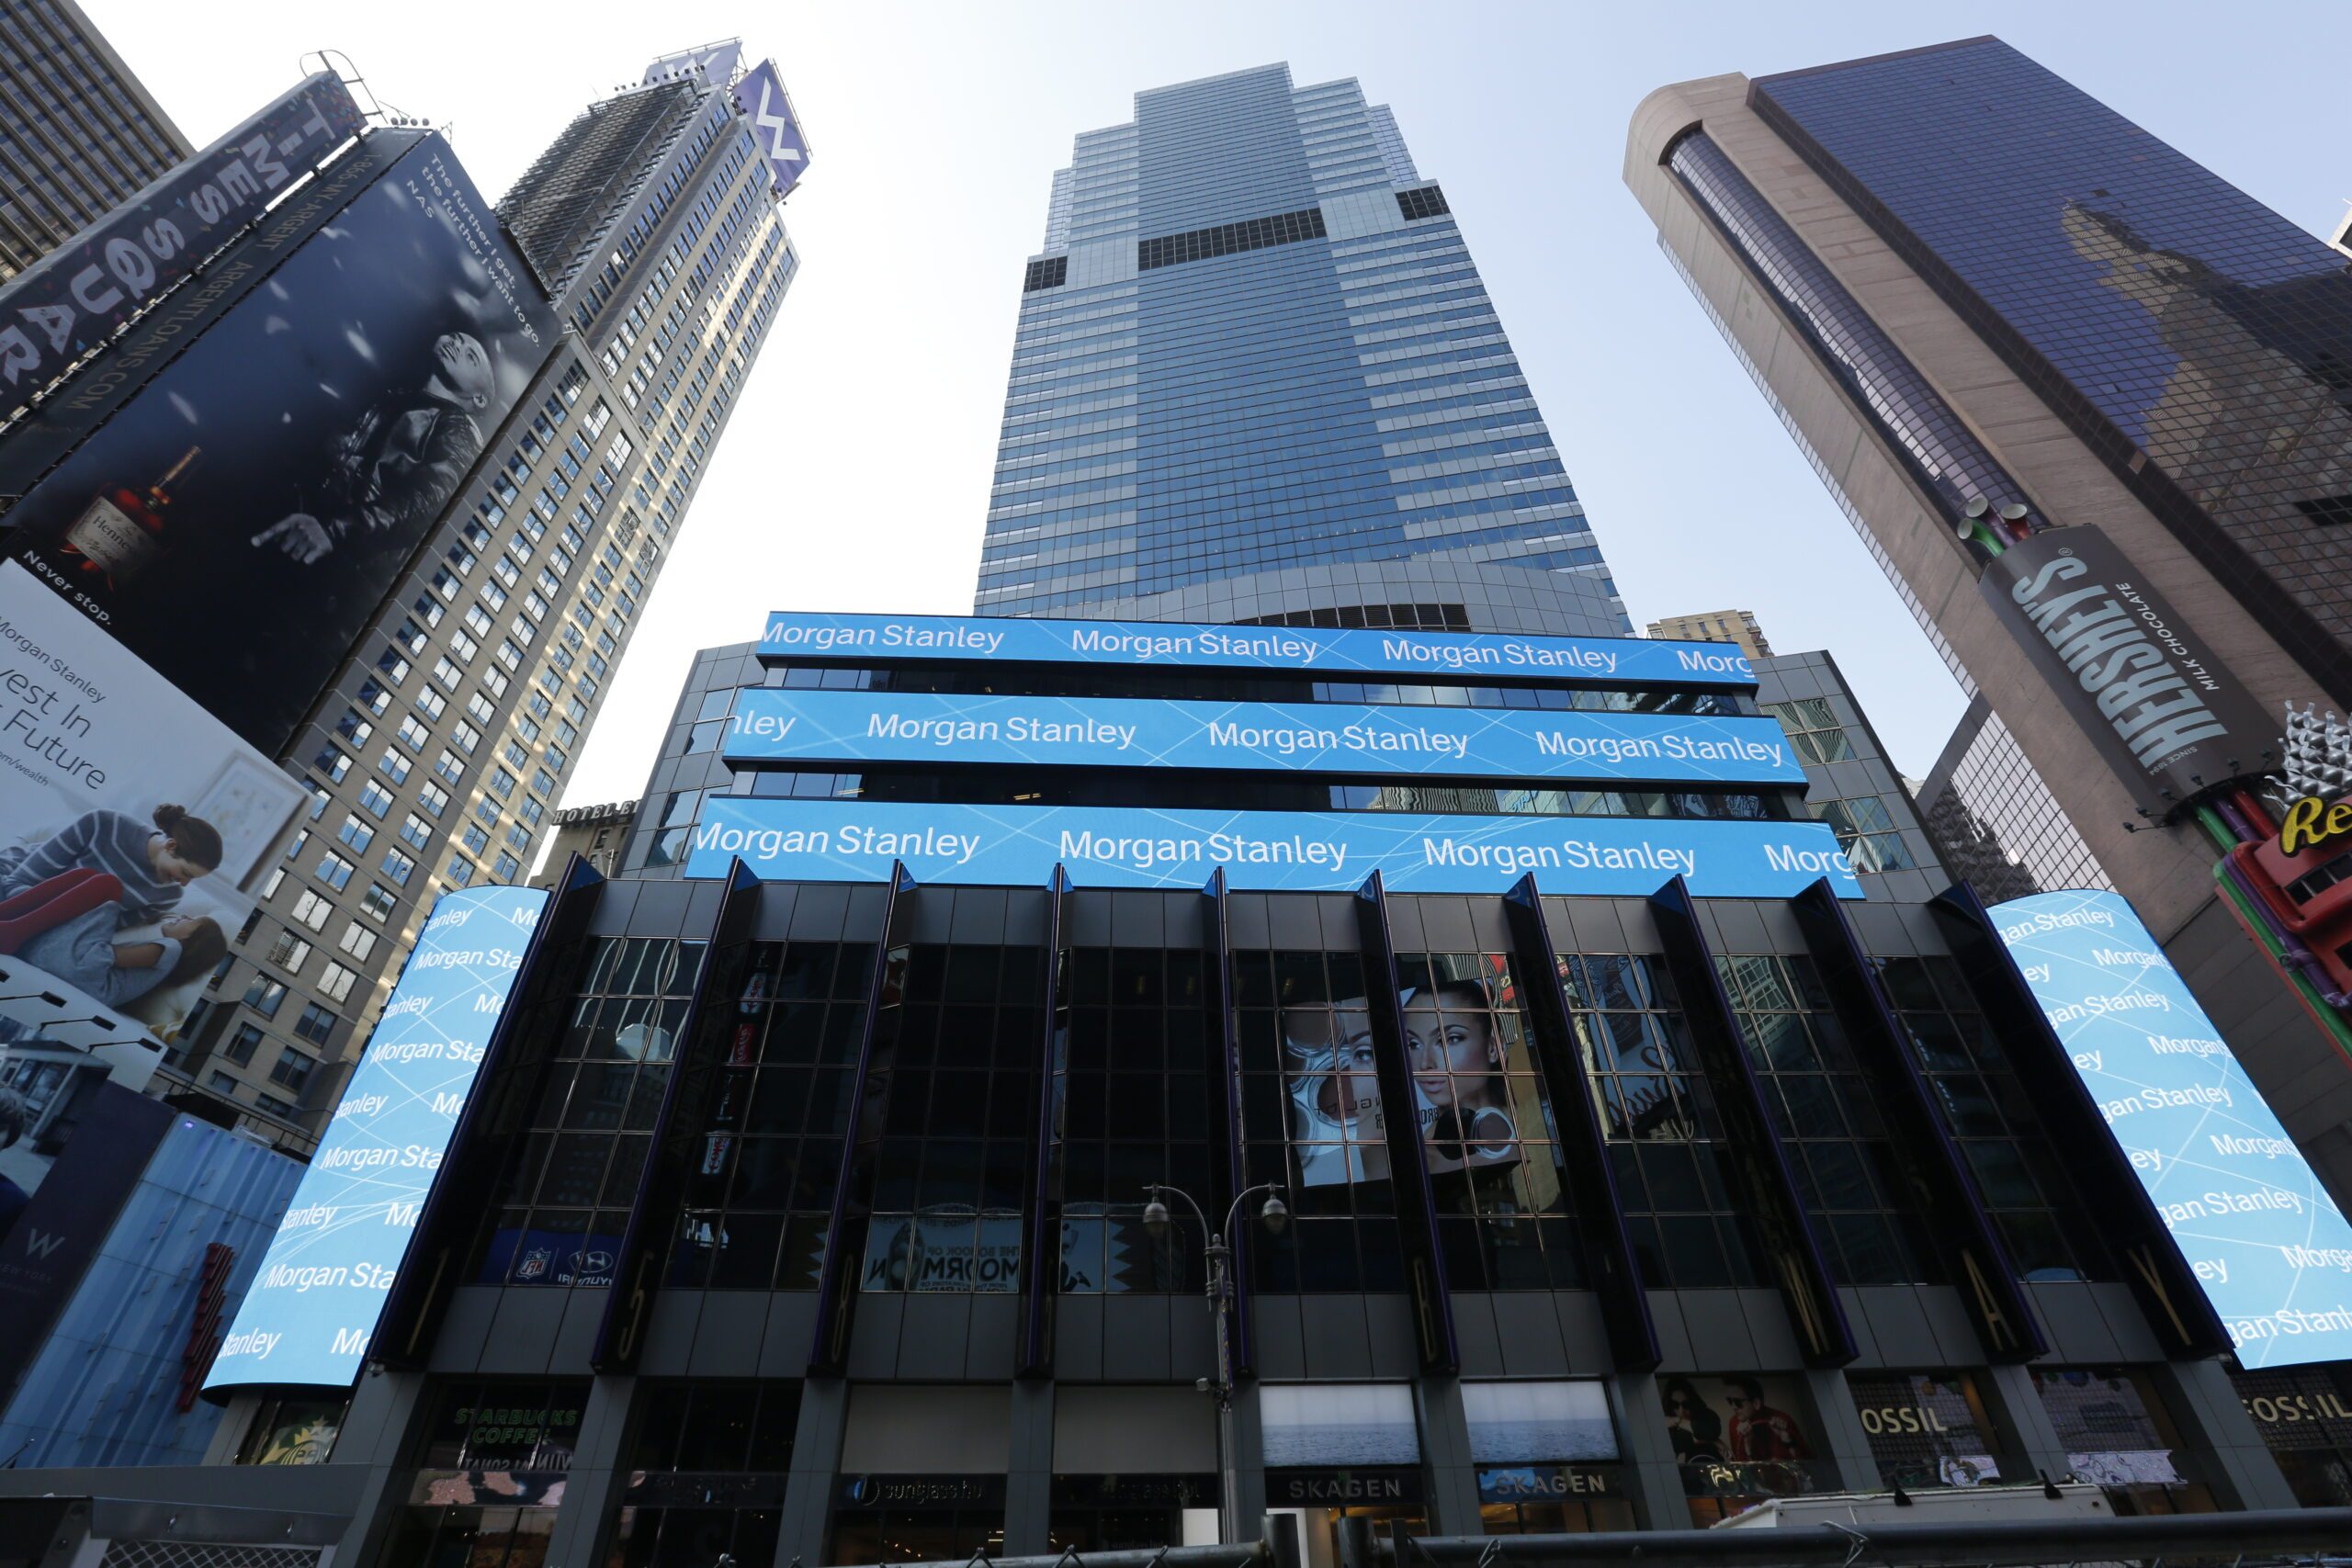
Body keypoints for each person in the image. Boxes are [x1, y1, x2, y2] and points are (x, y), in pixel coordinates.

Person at [251, 331, 494, 566]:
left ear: (480, 399)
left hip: (342, 562)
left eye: (470, 356)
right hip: (303, 527)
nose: (456, 345)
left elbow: (433, 501)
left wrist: (338, 529)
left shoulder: (458, 428)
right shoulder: (399, 396)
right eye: (454, 337)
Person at [0, 806, 222, 924]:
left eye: (191, 879)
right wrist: (38, 916)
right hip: (16, 877)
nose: (184, 884)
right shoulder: (105, 823)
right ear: (171, 846)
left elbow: (104, 925)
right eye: (185, 873)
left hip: (53, 918)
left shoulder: (168, 895)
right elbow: (22, 878)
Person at [13, 896, 226, 1008]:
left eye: (191, 921)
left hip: (89, 981)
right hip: (87, 980)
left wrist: (96, 936)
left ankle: (18, 926)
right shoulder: (169, 952)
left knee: (110, 904)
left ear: (192, 939)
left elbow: (112, 956)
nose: (185, 916)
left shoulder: (172, 948)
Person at [1402, 979, 1519, 1171]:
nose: (1425, 1063)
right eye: (1413, 1044)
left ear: (1493, 1047)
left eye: (1451, 1039)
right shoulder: (1422, 1159)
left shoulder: (1534, 1121)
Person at [1724, 1376, 1812, 1463]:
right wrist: (1746, 1444)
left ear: (1756, 1403)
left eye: (1737, 1402)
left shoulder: (1782, 1420)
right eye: (1730, 1401)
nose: (1733, 1407)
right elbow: (1740, 1465)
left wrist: (1787, 1440)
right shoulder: (1734, 1423)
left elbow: (1806, 1461)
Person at [1660, 1377, 1724, 1466]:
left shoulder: (1707, 1414)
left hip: (1714, 1465)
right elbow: (1674, 1444)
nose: (1681, 1410)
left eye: (1686, 1404)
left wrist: (1679, 1421)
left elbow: (1709, 1431)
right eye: (1675, 1405)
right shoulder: (1669, 1425)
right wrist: (1713, 1441)